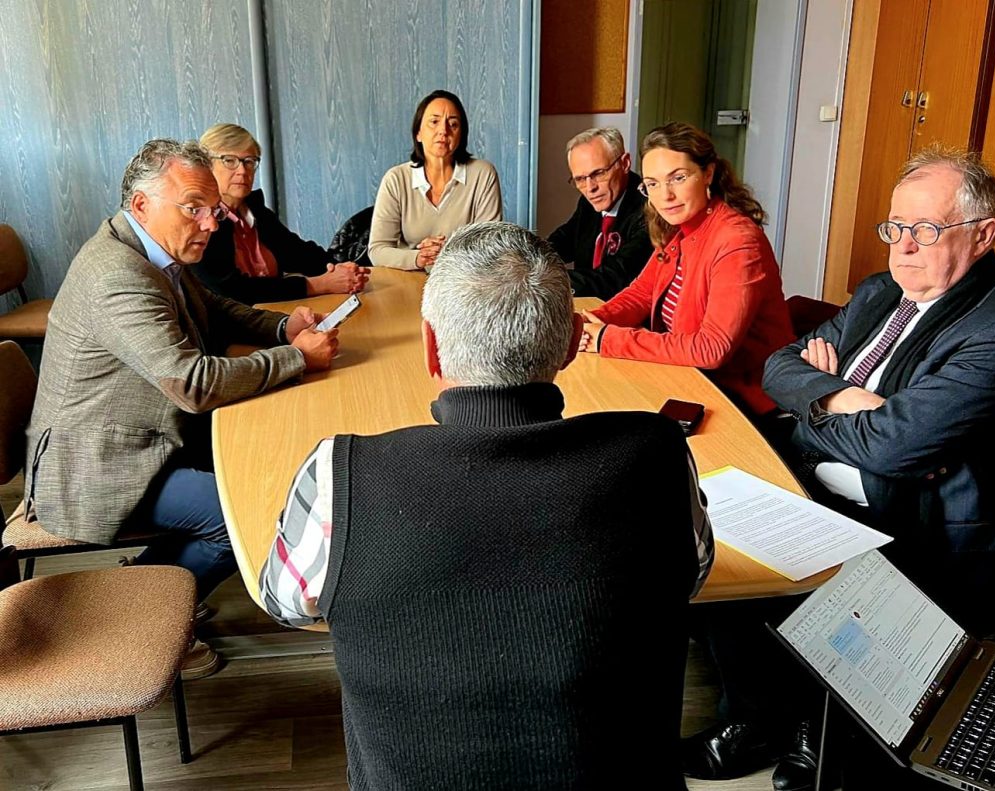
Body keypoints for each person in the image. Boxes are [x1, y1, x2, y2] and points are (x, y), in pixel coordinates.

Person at [261, 221, 714, 789]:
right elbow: (691, 574)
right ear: (573, 341)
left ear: (431, 345)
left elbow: (284, 604)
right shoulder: (657, 453)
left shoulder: (339, 476)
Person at [23, 139, 339, 679]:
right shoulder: (116, 275)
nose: (210, 223)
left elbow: (214, 308)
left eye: (213, 210)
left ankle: (154, 585)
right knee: (239, 518)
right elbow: (193, 383)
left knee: (260, 466)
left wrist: (283, 327)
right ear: (141, 204)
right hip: (95, 466)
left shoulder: (148, 250)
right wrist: (296, 358)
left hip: (142, 438)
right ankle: (137, 614)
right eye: (193, 208)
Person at [764, 146, 995, 631]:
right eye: (896, 227)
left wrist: (810, 404)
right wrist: (842, 396)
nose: (903, 247)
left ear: (982, 235)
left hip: (908, 538)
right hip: (811, 486)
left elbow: (890, 446)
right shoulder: (879, 291)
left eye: (926, 230)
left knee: (741, 602)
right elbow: (778, 367)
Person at [578, 122, 794, 422]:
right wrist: (590, 322)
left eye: (677, 178)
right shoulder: (680, 228)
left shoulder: (737, 241)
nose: (664, 195)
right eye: (652, 184)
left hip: (744, 399)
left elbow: (711, 349)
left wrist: (607, 339)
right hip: (691, 380)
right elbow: (641, 294)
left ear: (708, 173)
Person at [195, 123, 369, 304]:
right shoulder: (204, 221)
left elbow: (298, 253)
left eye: (249, 161)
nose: (242, 171)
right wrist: (320, 284)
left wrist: (343, 269)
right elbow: (233, 290)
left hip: (276, 313)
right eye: (230, 161)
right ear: (207, 166)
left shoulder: (256, 211)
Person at [368, 90, 503, 270]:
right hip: (408, 277)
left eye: (453, 124)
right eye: (434, 122)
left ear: (461, 135)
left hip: (462, 279)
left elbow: (490, 247)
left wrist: (446, 253)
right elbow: (377, 250)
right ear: (418, 133)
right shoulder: (396, 179)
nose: (443, 131)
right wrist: (419, 258)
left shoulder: (483, 174)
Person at [548, 127, 652, 299]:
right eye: (580, 179)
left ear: (625, 163)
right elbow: (564, 240)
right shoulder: (591, 200)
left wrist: (546, 282)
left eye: (598, 173)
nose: (590, 188)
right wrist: (526, 258)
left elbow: (616, 277)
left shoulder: (650, 208)